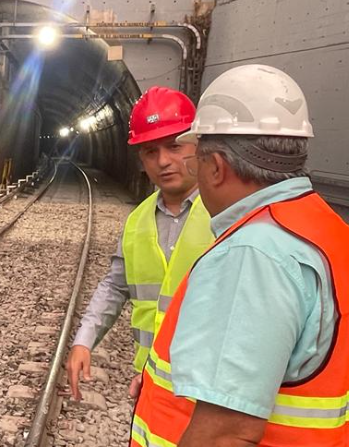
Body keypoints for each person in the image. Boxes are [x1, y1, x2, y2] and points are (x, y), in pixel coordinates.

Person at [132, 64, 349, 447]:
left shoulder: (253, 253)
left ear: (215, 167)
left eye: (195, 159)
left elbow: (226, 434)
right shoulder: (325, 228)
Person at [67, 87, 215, 402]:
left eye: (174, 146)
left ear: (198, 145)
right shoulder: (138, 220)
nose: (163, 161)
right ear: (140, 160)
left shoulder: (226, 212)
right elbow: (115, 286)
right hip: (152, 381)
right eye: (150, 151)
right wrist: (84, 340)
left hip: (212, 387)